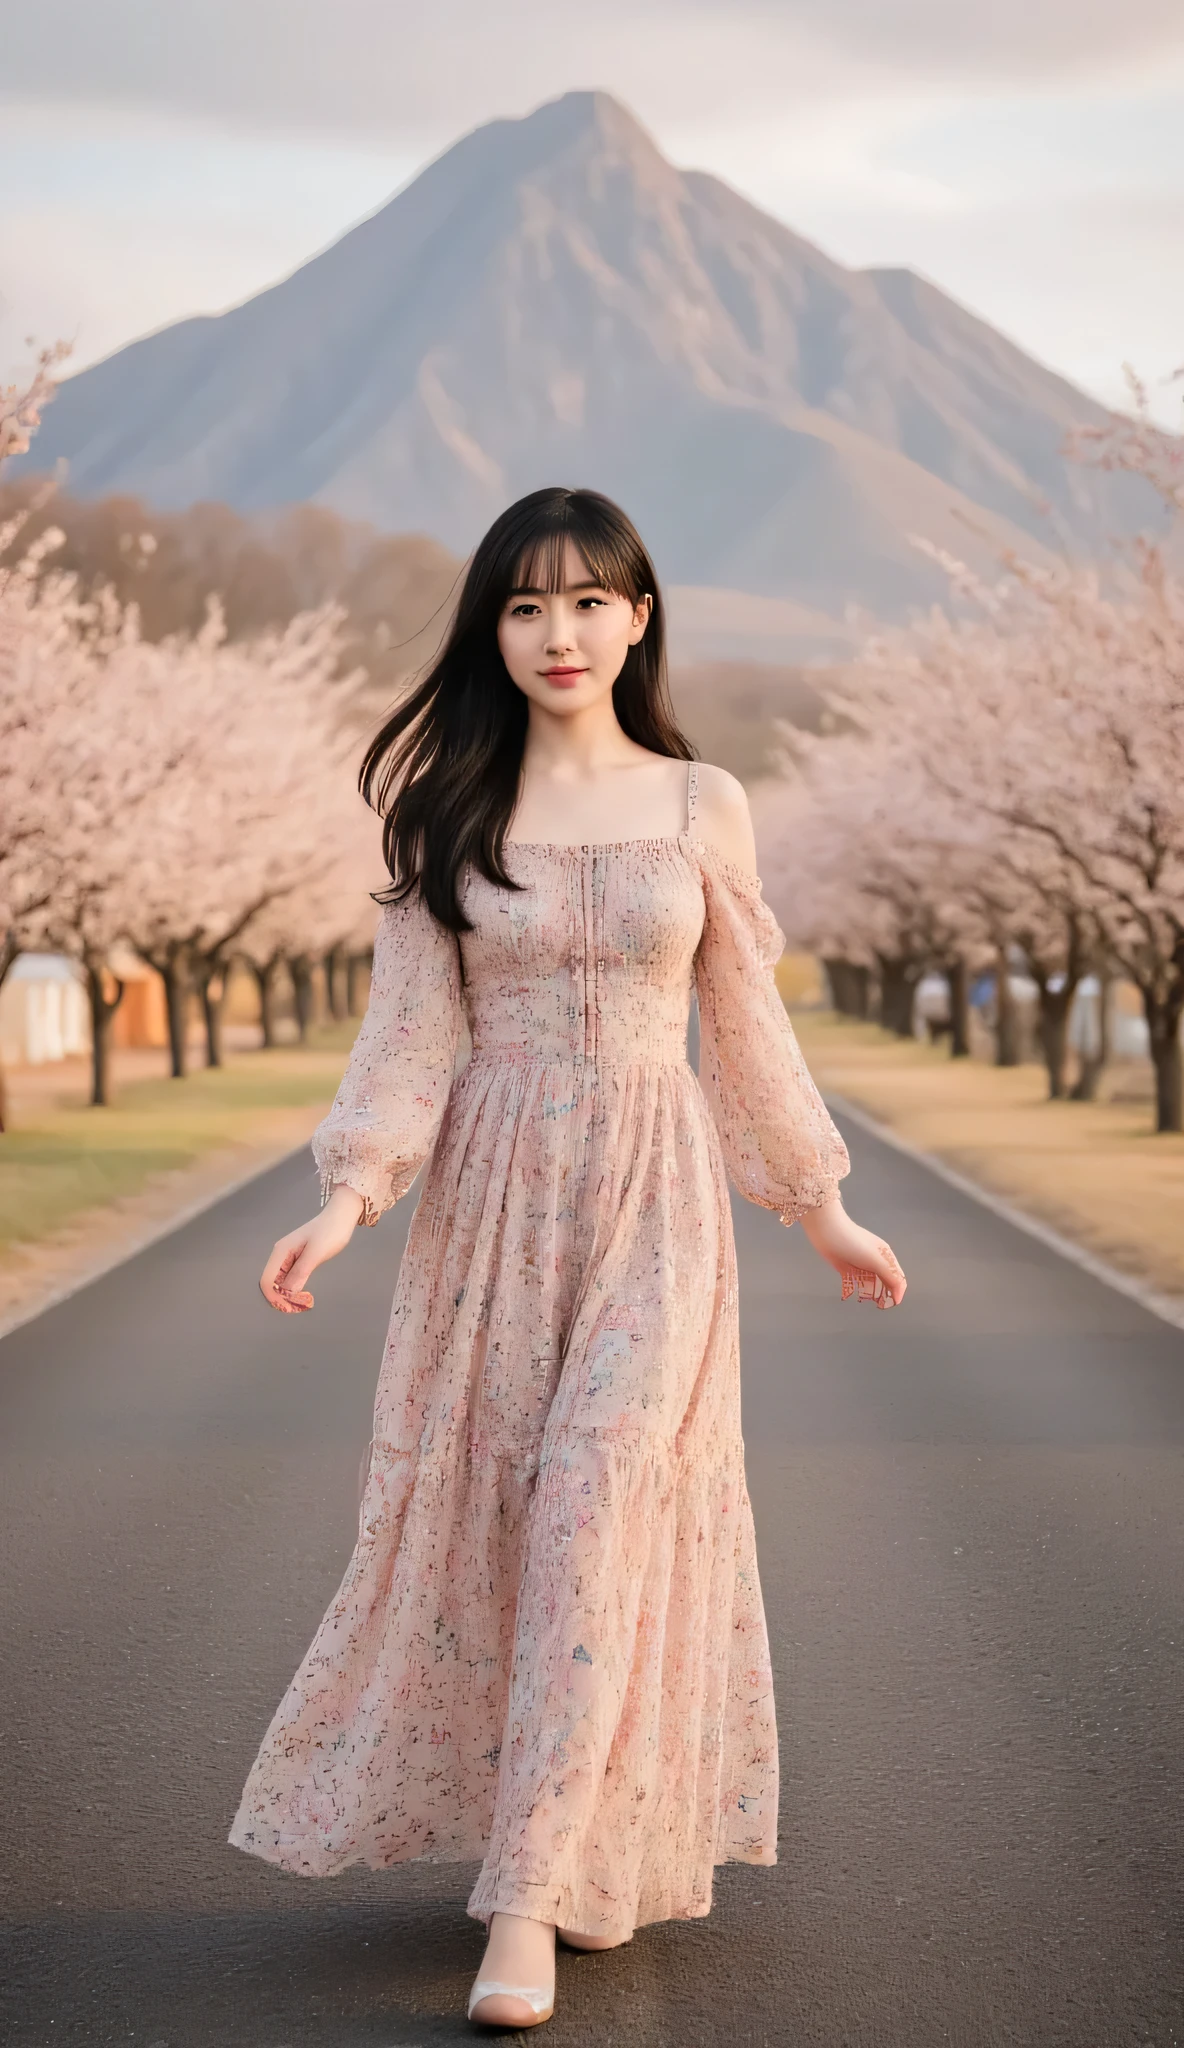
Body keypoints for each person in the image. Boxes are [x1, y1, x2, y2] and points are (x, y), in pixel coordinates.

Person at [229, 486, 907, 2031]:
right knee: (517, 1523)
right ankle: (566, 1835)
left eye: (589, 601)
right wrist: (347, 1198)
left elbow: (744, 1030)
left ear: (640, 616)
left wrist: (821, 1206)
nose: (559, 633)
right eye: (526, 607)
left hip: (656, 1202)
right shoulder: (445, 810)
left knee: (604, 1502)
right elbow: (409, 1042)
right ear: (494, 628)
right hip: (489, 1207)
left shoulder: (699, 804)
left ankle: (523, 1903)